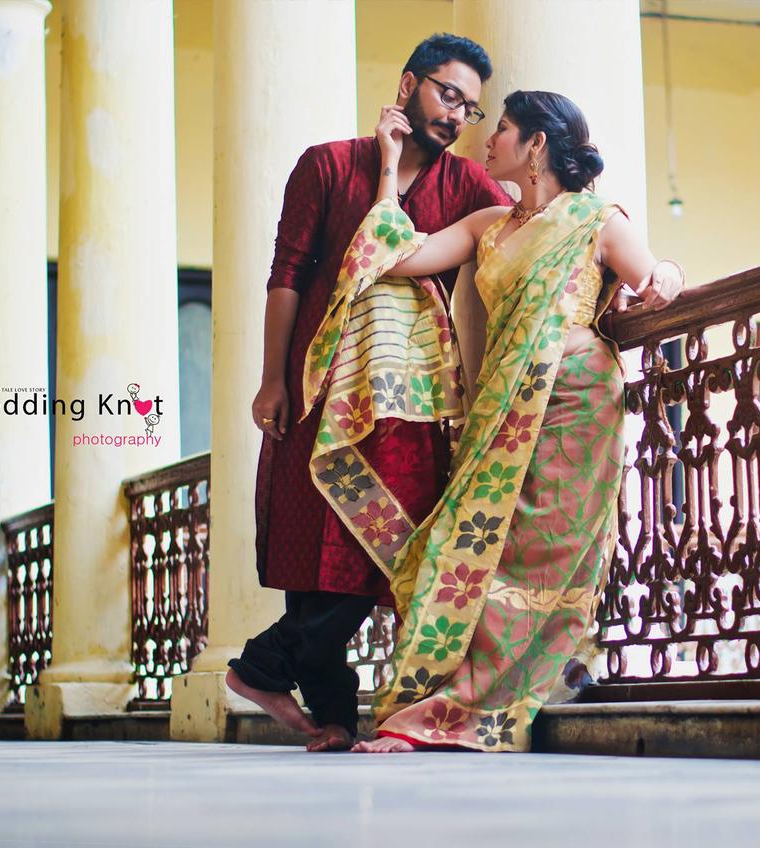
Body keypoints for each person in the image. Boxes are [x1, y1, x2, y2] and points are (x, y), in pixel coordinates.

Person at [316, 90, 684, 753]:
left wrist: (669, 276)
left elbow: (656, 274)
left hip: (575, 404)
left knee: (542, 557)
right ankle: (441, 707)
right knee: (463, 556)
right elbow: (398, 256)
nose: (489, 139)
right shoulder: (488, 223)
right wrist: (389, 161)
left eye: (504, 128)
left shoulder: (597, 219)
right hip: (500, 411)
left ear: (537, 143)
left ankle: (480, 709)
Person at [225, 33, 514, 754]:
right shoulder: (329, 165)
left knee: (381, 550)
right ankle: (330, 718)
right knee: (313, 549)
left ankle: (263, 667)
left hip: (410, 404)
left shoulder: (465, 188)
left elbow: (527, 225)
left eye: (471, 109)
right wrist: (273, 378)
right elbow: (287, 274)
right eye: (448, 95)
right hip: (320, 385)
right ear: (410, 83)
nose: (456, 116)